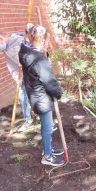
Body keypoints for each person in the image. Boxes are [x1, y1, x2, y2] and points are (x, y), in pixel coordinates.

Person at [19, 24, 65, 166]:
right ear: (43, 40)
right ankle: (47, 156)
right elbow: (49, 82)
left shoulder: (26, 52)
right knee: (47, 127)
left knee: (47, 126)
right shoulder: (39, 59)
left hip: (35, 95)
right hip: (42, 98)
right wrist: (58, 93)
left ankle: (48, 148)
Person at [0, 23, 33, 132]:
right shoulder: (5, 48)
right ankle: (28, 120)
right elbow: (11, 64)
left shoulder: (20, 42)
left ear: (0, 38)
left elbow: (36, 58)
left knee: (39, 96)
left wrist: (25, 63)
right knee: (22, 95)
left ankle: (46, 119)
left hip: (35, 73)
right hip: (23, 74)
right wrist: (17, 77)